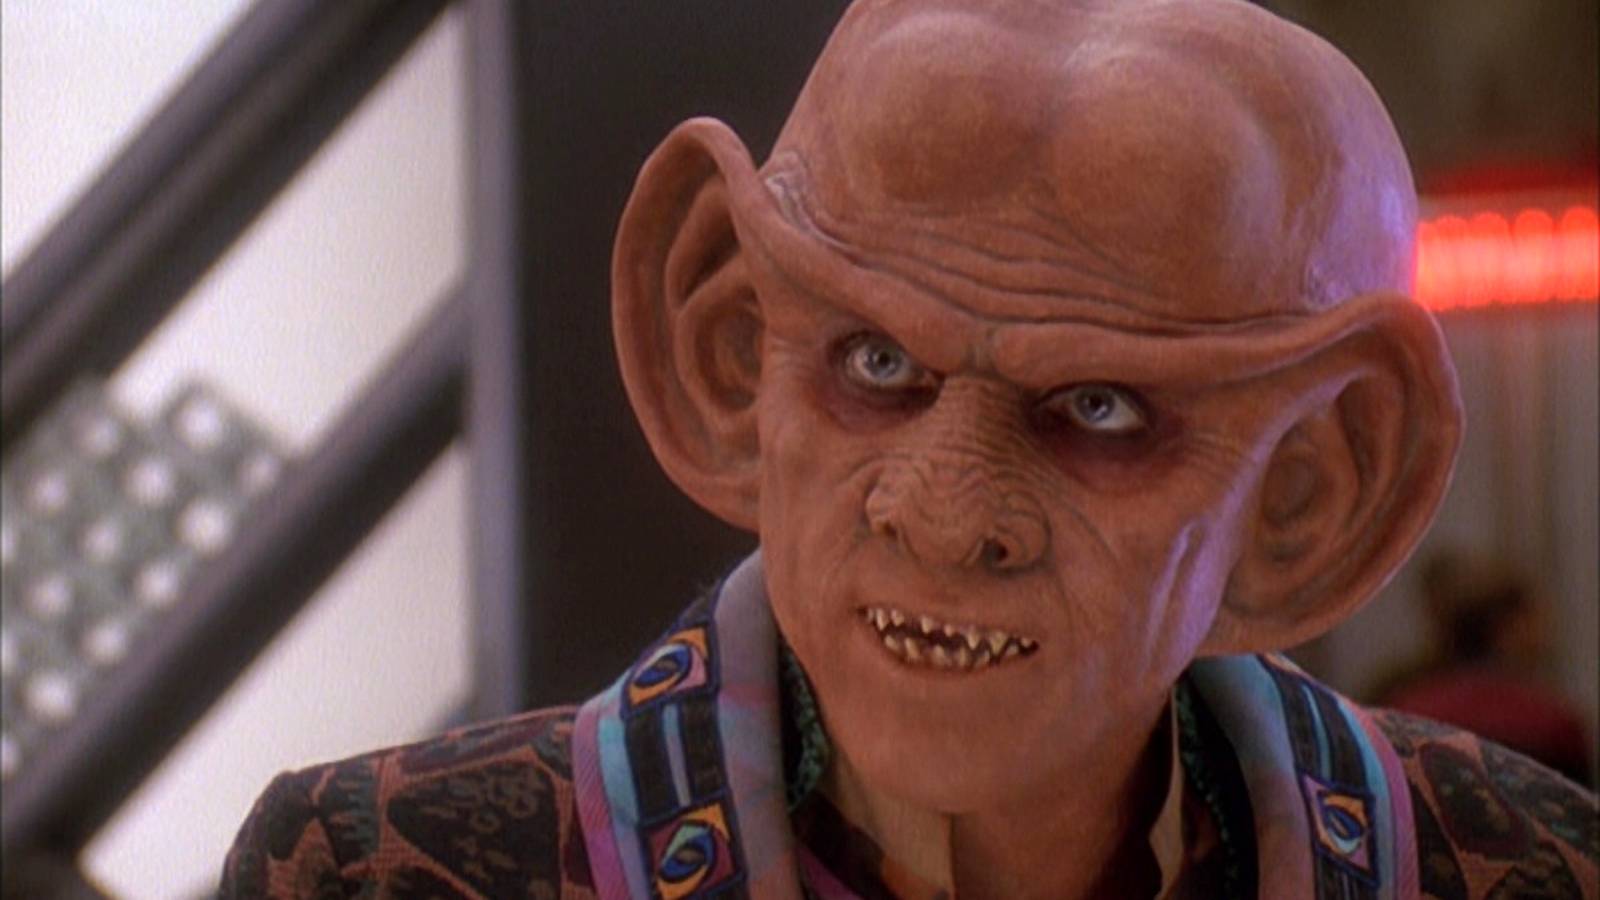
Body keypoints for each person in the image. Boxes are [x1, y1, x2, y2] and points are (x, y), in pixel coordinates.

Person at [222, 1, 1599, 897]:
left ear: (1310, 491)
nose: (944, 512)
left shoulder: (1518, 870)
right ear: (726, 351)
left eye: (1100, 408)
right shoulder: (379, 874)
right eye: (875, 366)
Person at [1373, 551, 1592, 785]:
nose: (1544, 636)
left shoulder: (1402, 711)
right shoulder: (1552, 724)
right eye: (1531, 620)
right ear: (1505, 630)